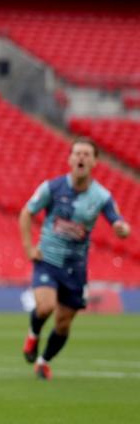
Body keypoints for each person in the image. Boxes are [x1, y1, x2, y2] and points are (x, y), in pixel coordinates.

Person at [19, 137, 130, 380]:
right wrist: (29, 247)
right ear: (69, 159)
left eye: (86, 154)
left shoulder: (101, 196)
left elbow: (116, 220)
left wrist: (122, 228)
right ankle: (33, 335)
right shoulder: (52, 187)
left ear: (94, 162)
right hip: (48, 259)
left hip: (75, 267)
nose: (81, 157)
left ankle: (43, 361)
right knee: (45, 306)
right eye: (77, 153)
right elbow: (27, 212)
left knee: (63, 324)